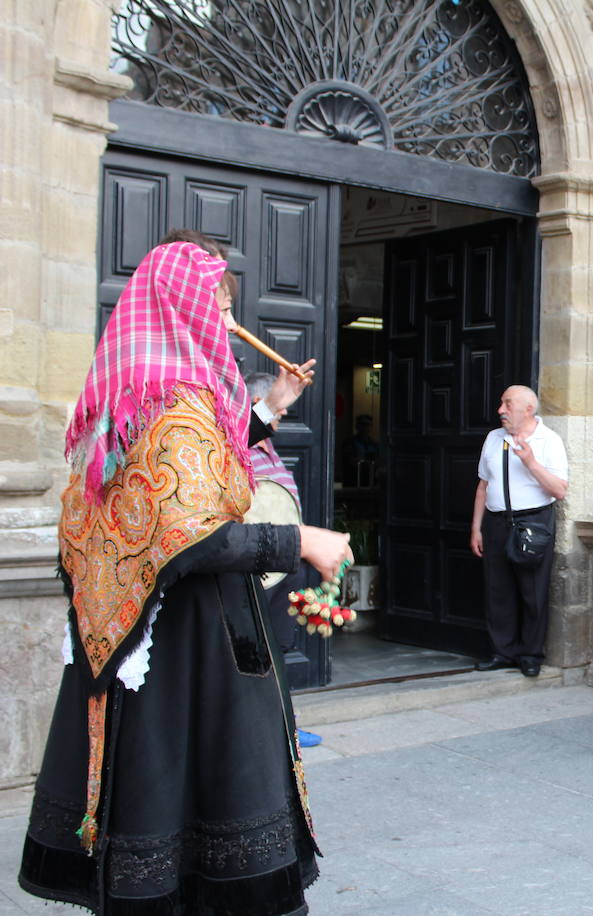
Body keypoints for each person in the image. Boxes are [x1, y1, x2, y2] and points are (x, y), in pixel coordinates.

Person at [18, 240, 348, 914]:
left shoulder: (133, 387)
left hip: (148, 623)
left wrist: (272, 406)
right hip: (185, 637)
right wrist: (302, 539)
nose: (226, 319)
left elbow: (203, 471)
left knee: (160, 780)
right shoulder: (173, 403)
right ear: (186, 307)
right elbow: (195, 536)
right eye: (218, 304)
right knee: (192, 780)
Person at [246, 371, 322, 750]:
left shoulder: (270, 450)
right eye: (278, 412)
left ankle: (285, 726)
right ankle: (266, 733)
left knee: (282, 646)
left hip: (285, 564)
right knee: (258, 653)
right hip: (257, 570)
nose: (281, 420)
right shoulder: (237, 451)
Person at [471, 386, 568, 678]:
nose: (500, 409)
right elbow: (482, 486)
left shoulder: (549, 440)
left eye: (507, 404)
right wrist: (476, 528)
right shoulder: (493, 438)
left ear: (527, 409)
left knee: (532, 591)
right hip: (496, 522)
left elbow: (559, 490)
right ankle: (503, 651)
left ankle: (530, 654)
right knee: (498, 589)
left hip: (533, 523)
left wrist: (530, 462)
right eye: (501, 403)